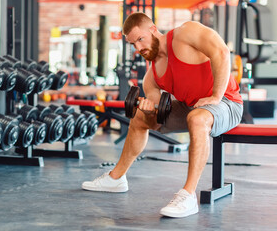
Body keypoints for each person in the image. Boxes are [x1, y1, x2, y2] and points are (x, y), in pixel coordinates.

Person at [81, 12, 243, 218]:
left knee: (198, 118)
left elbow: (221, 52)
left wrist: (216, 95)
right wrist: (149, 110)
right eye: (133, 44)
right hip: (193, 106)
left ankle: (188, 195)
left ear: (153, 29)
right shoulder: (152, 76)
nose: (138, 48)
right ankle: (116, 179)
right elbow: (157, 113)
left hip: (227, 102)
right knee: (140, 118)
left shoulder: (186, 33)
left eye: (140, 39)